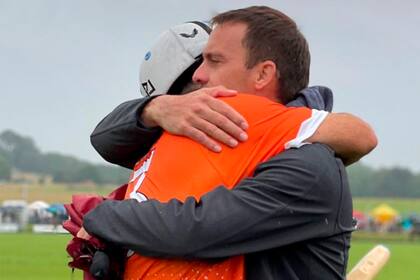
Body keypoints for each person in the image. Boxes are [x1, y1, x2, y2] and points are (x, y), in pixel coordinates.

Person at [83, 6, 377, 279]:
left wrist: (101, 215)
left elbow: (197, 230)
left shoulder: (309, 165)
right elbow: (106, 139)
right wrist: (155, 110)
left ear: (263, 73)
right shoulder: (200, 132)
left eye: (214, 61)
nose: (199, 80)